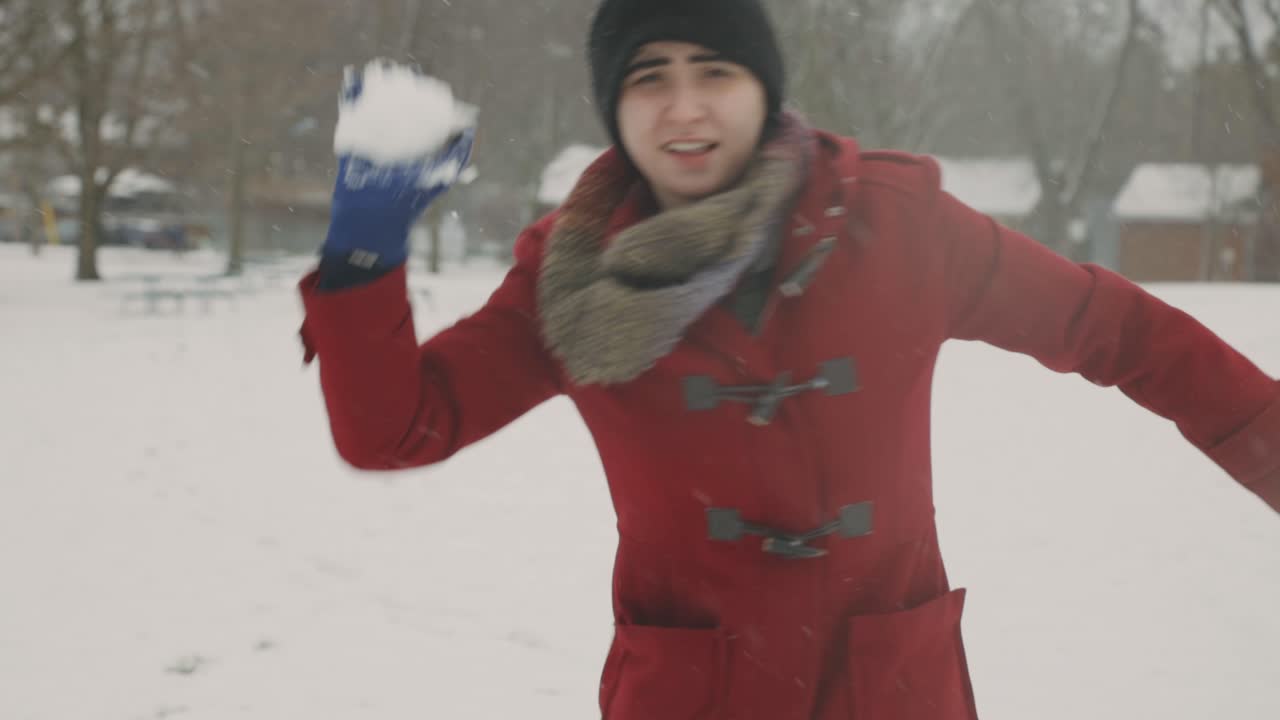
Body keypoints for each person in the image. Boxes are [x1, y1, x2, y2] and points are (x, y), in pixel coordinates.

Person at [298, 1, 1280, 717]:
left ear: (763, 89)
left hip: (892, 693)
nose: (684, 109)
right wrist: (362, 259)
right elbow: (397, 429)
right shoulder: (569, 279)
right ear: (614, 107)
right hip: (690, 699)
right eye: (648, 78)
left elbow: (1116, 329)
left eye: (714, 72)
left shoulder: (897, 229)